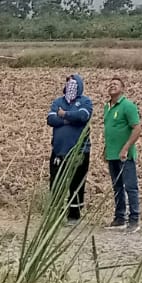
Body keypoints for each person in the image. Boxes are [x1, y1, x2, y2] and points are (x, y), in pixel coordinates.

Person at [46, 73, 93, 223]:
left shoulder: (85, 101)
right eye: (68, 83)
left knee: (76, 183)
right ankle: (55, 214)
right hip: (59, 151)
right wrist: (67, 120)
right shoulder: (58, 101)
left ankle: (74, 215)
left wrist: (64, 114)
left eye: (73, 83)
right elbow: (51, 119)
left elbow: (82, 116)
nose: (70, 86)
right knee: (56, 183)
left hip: (79, 152)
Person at [102, 76, 142, 231]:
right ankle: (119, 218)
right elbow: (110, 130)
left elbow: (137, 128)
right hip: (112, 154)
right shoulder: (107, 107)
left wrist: (126, 148)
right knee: (117, 187)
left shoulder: (128, 106)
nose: (112, 86)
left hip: (125, 155)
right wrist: (106, 149)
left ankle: (134, 220)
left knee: (130, 187)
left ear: (122, 89)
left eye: (116, 84)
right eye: (110, 84)